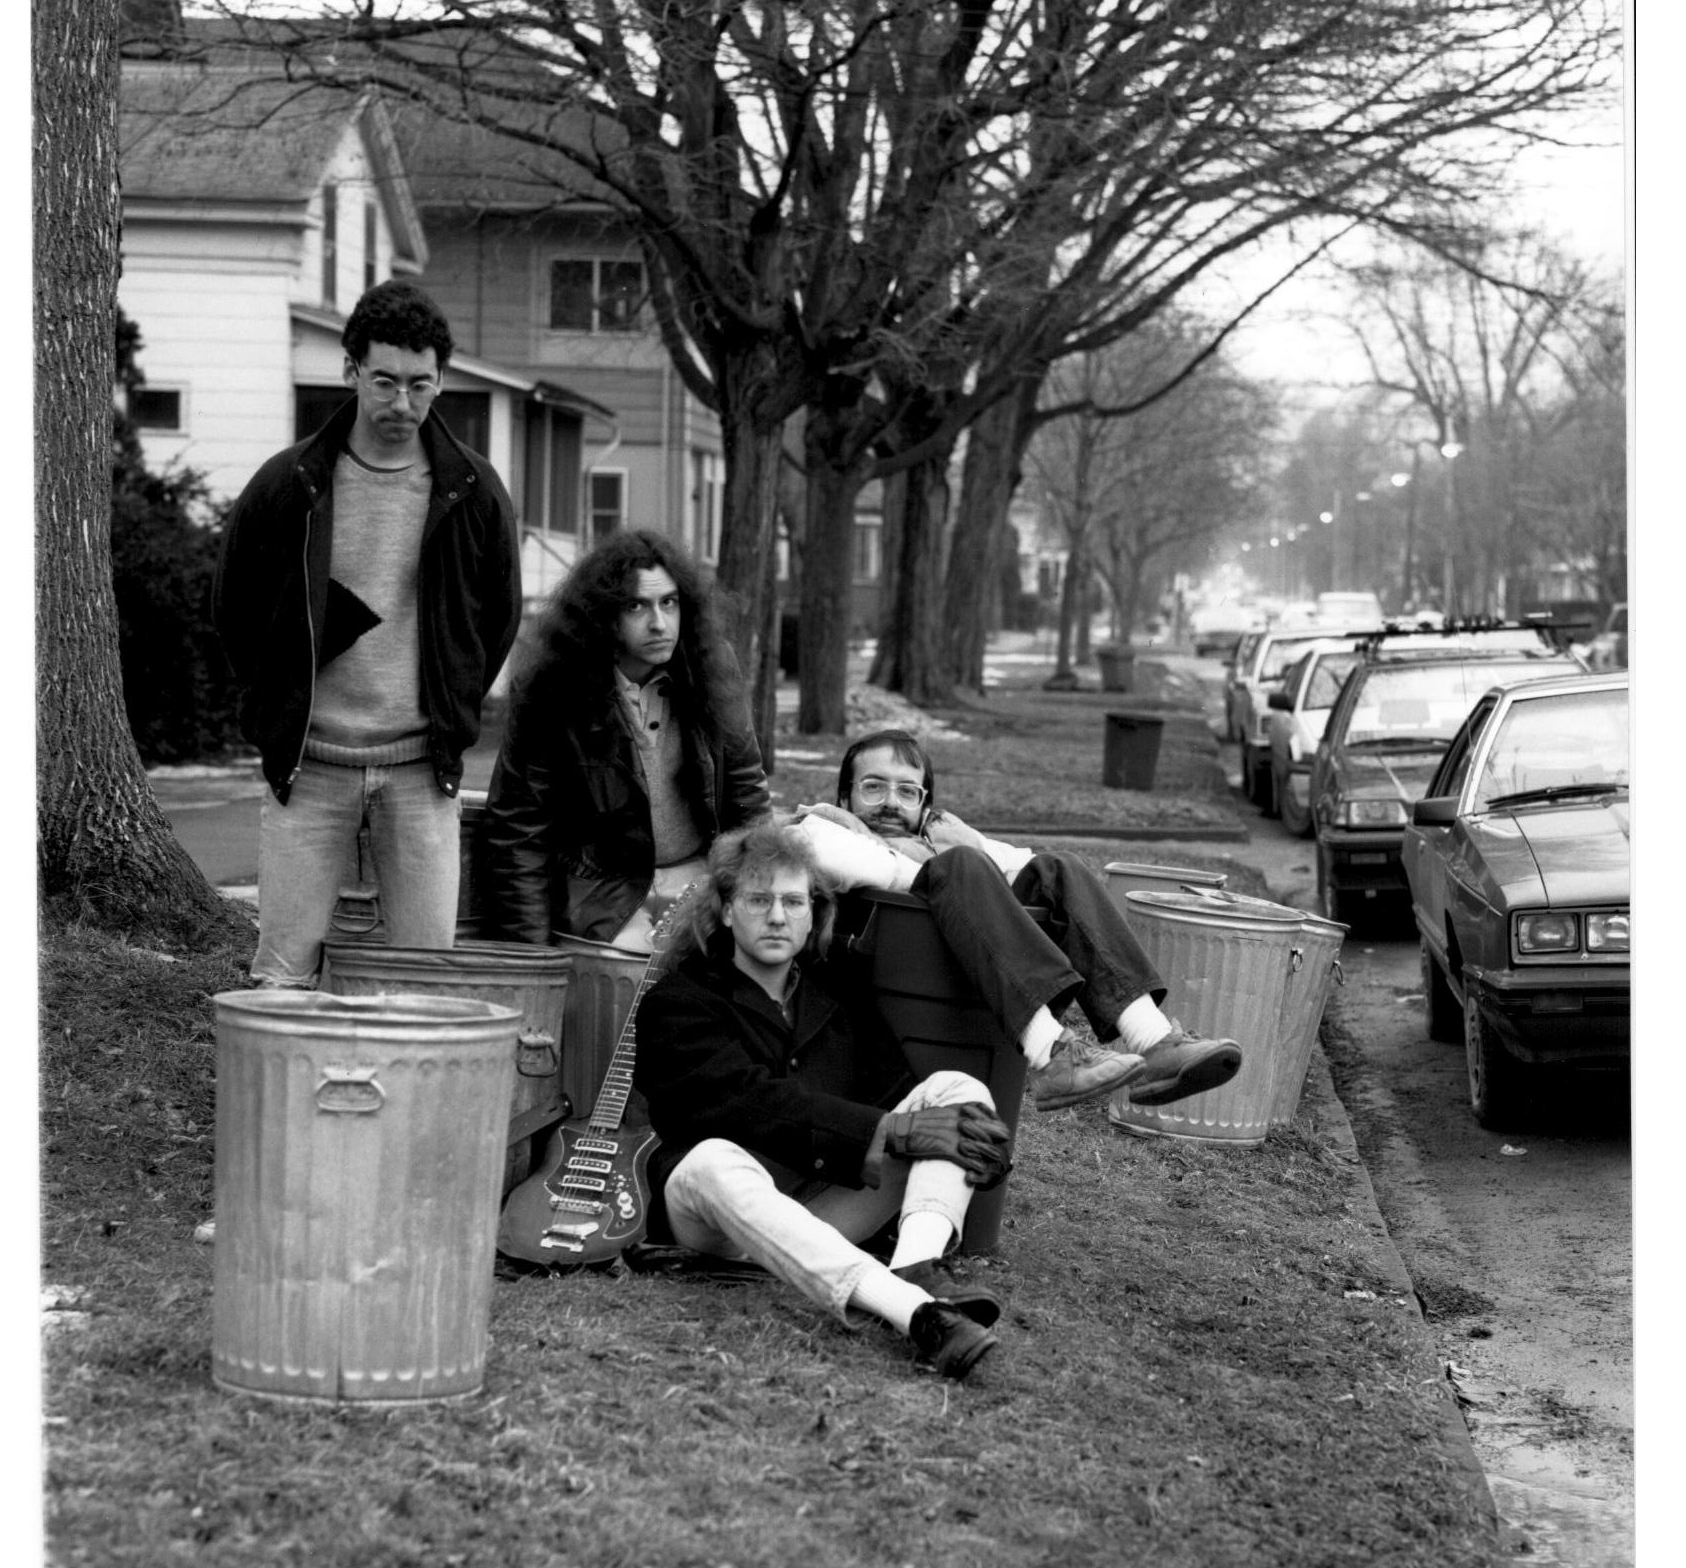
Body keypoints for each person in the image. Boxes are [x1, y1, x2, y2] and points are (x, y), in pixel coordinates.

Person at [213, 281, 522, 987]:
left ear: (443, 380)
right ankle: (288, 1100)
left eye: (420, 384)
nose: (402, 404)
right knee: (282, 979)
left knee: (423, 983)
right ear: (350, 369)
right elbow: (234, 606)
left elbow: (497, 618)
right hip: (309, 766)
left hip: (421, 771)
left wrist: (452, 701)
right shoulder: (289, 484)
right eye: (384, 381)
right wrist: (276, 705)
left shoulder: (473, 491)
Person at [633, 824, 1012, 1380]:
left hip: (823, 1210)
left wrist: (955, 1148)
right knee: (712, 1160)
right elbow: (747, 1102)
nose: (778, 916)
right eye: (759, 900)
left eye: (793, 901)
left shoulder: (837, 990)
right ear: (727, 911)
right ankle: (915, 1314)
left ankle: (916, 1269)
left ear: (814, 913)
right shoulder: (679, 1000)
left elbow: (898, 1093)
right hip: (719, 1220)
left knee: (959, 1092)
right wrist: (889, 1134)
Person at [788, 728, 1243, 1111]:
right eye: (873, 787)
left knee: (1057, 868)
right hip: (880, 992)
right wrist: (945, 873)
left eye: (908, 791)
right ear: (844, 794)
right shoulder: (822, 828)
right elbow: (848, 863)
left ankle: (1153, 1040)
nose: (890, 802)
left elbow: (1017, 863)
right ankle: (1051, 1054)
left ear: (925, 804)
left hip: (969, 969)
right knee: (961, 866)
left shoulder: (941, 842)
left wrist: (965, 859)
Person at [478, 529, 770, 951]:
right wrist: (529, 954)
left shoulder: (710, 667)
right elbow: (519, 828)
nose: (659, 623)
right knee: (630, 969)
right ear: (603, 616)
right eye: (637, 606)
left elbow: (747, 793)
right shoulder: (553, 685)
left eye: (669, 603)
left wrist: (757, 895)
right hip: (599, 888)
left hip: (698, 875)